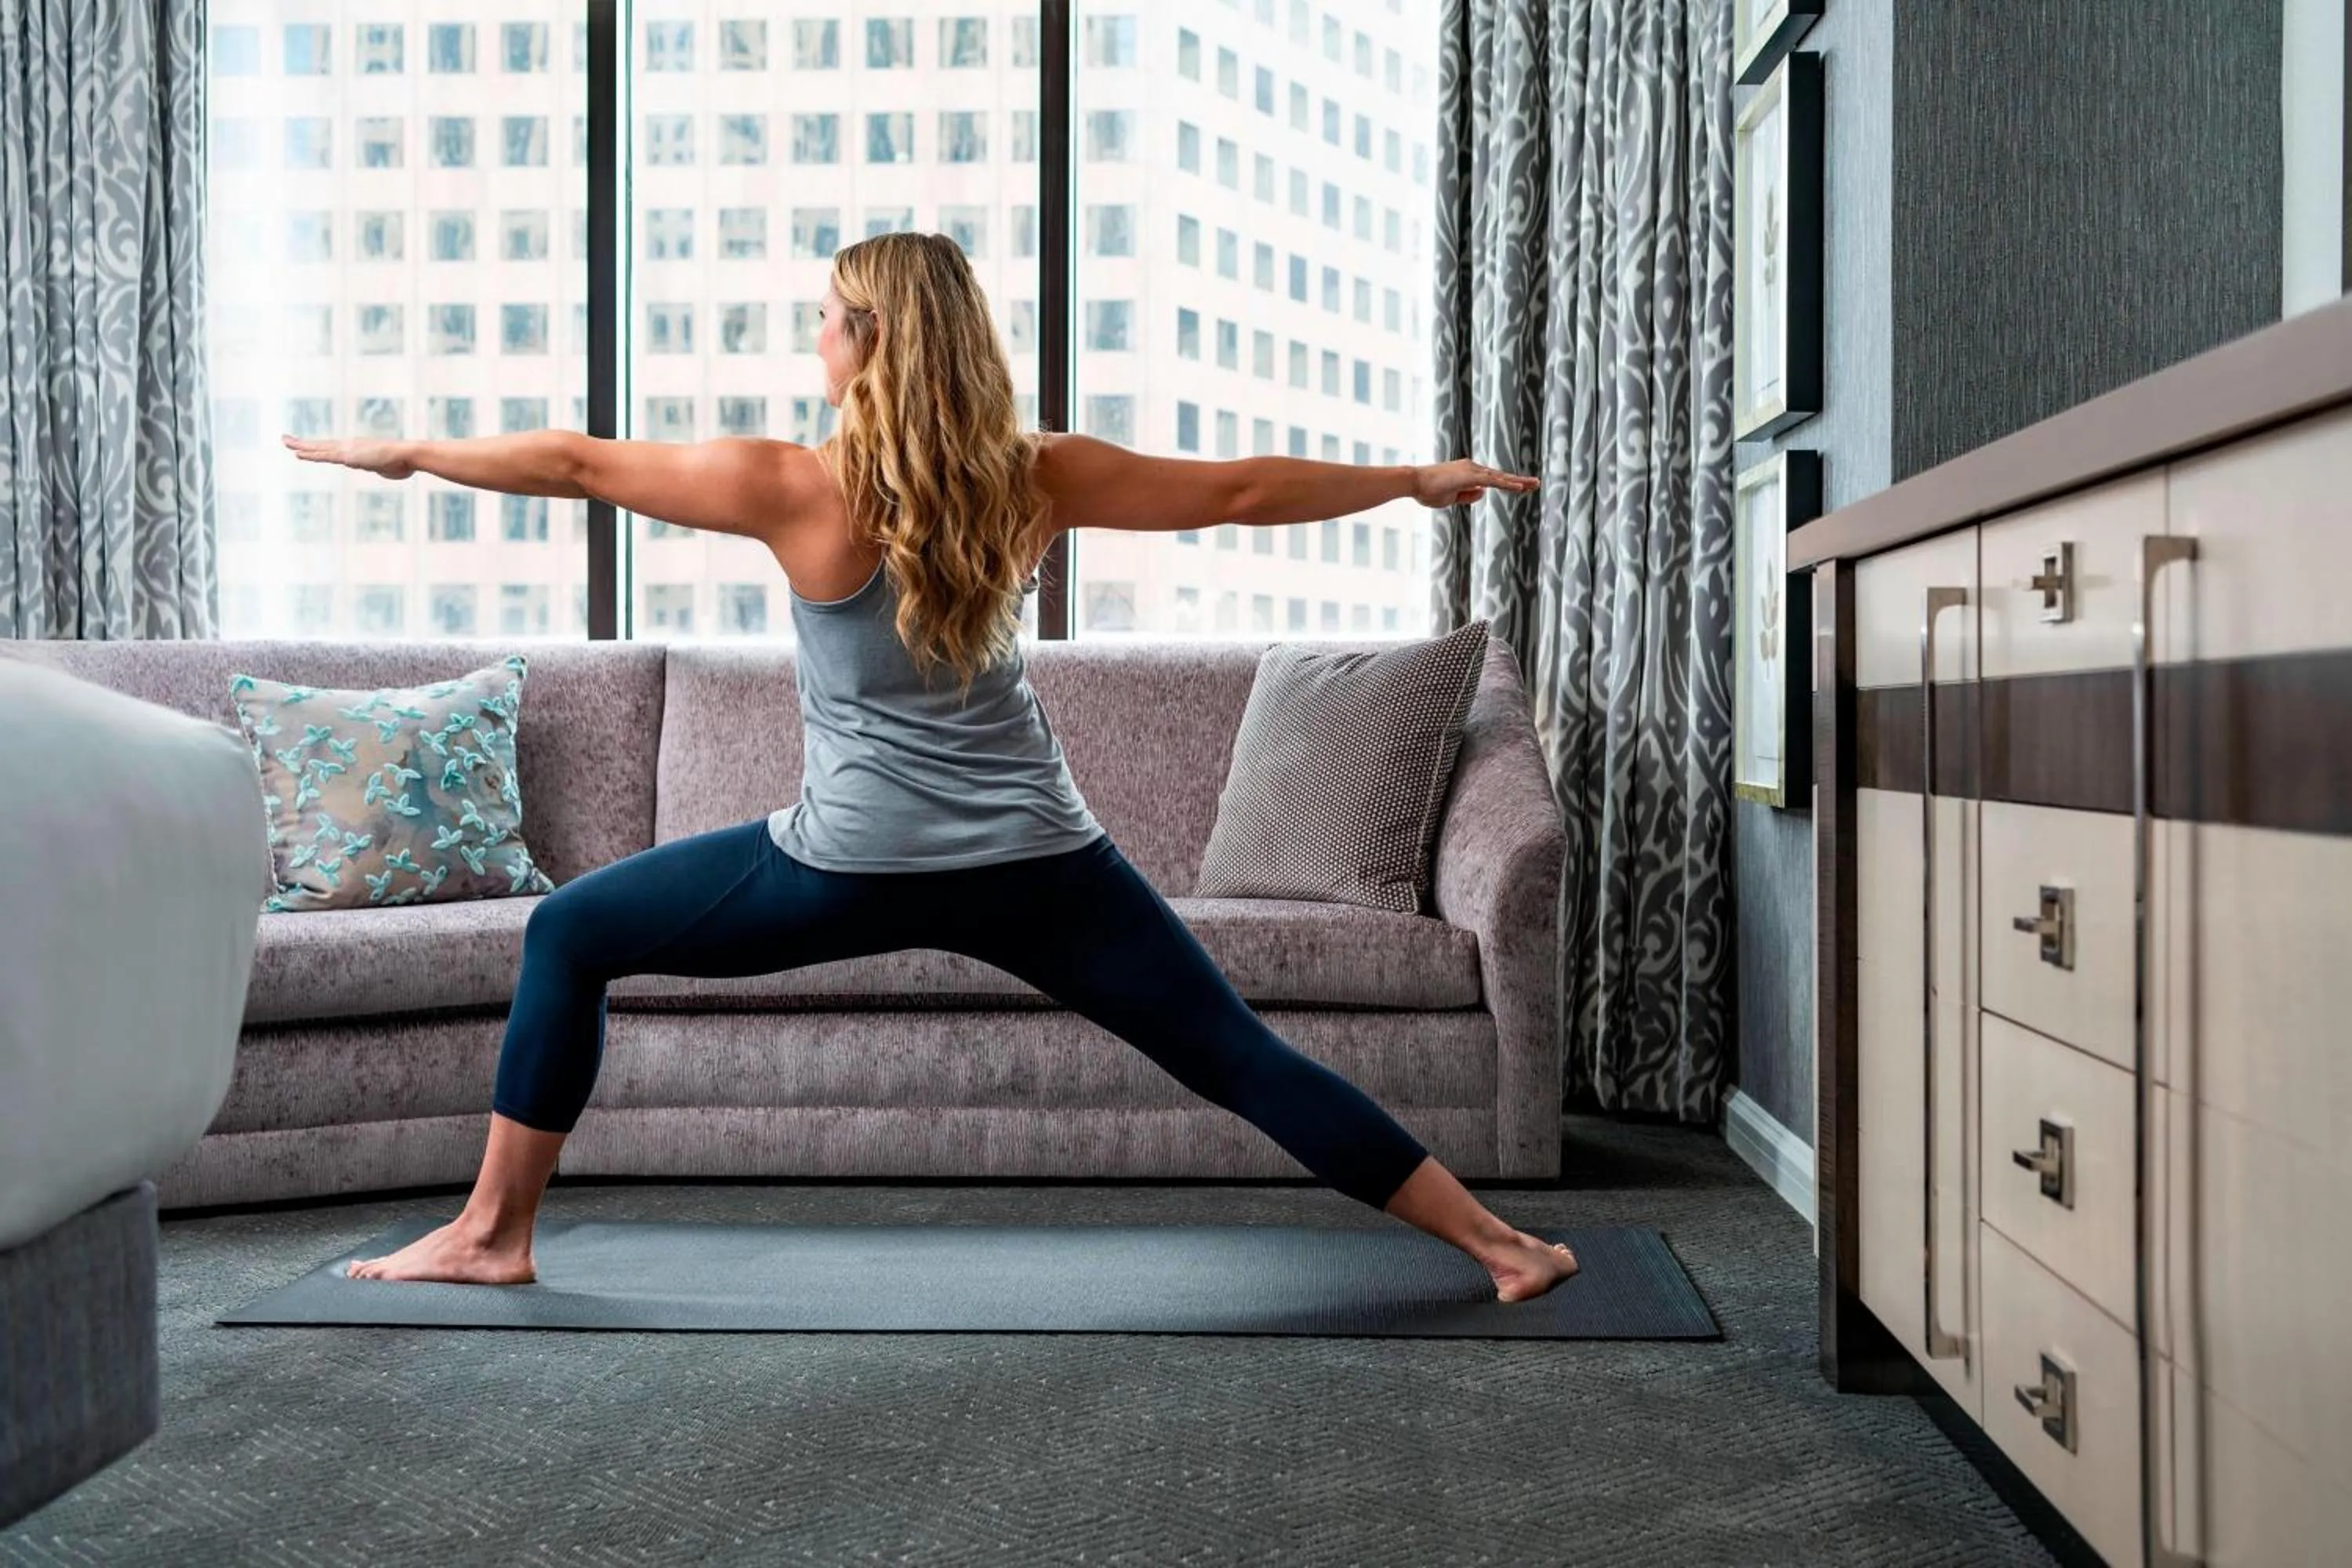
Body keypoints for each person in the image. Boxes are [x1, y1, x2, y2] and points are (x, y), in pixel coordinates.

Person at [284, 230, 1572, 1305]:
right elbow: (1235, 492)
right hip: (1043, 866)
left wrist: (410, 454)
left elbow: (574, 463)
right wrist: (1413, 480)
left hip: (843, 867)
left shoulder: (792, 487)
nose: (815, 343)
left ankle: (492, 1235)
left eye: (825, 322)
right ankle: (1502, 1249)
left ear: (869, 339)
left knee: (568, 932)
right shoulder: (1033, 476)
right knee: (1236, 1056)